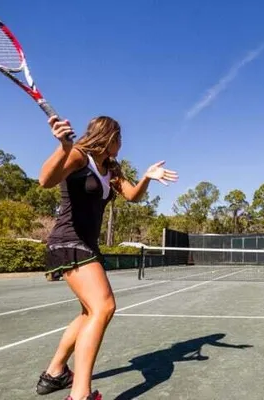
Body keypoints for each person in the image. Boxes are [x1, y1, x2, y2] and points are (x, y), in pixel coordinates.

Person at [35, 115, 178, 400]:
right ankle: (80, 395)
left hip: (87, 244)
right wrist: (62, 147)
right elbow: (45, 181)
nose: (122, 144)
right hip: (69, 241)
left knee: (90, 311)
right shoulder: (78, 155)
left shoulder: (110, 167)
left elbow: (133, 196)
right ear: (108, 137)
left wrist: (147, 177)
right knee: (104, 307)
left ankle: (55, 373)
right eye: (119, 139)